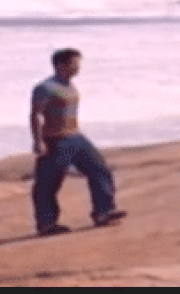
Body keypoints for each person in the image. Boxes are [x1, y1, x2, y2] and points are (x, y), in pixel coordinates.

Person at [30, 48, 126, 236]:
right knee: (48, 182)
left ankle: (103, 212)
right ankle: (46, 223)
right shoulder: (46, 88)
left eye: (78, 63)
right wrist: (38, 141)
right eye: (74, 63)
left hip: (76, 137)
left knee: (99, 169)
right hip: (55, 139)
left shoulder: (70, 86)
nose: (78, 68)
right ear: (60, 65)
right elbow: (35, 115)